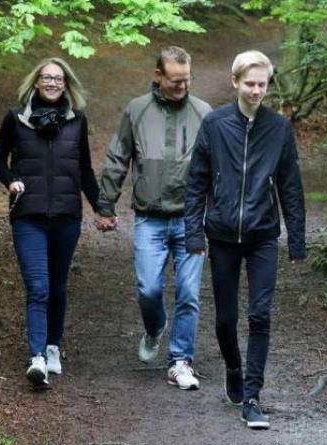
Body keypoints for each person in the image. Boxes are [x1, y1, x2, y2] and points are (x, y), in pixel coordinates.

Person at [184, 50, 306, 430]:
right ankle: (233, 367)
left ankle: (252, 397)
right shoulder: (215, 124)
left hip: (262, 235)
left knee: (260, 315)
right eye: (250, 83)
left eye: (262, 84)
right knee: (225, 320)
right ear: (235, 81)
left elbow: (290, 184)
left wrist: (297, 239)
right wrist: (194, 233)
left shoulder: (279, 128)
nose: (256, 91)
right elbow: (197, 182)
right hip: (221, 234)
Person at [95, 46, 213, 391]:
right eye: (176, 80)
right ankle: (155, 327)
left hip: (192, 218)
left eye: (187, 80)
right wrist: (106, 206)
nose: (183, 86)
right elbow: (118, 157)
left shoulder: (204, 113)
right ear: (158, 75)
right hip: (149, 218)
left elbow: (220, 167)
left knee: (189, 292)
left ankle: (180, 360)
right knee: (149, 289)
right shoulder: (137, 110)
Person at [0, 57, 99, 389]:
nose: (53, 83)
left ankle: (53, 346)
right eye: (46, 77)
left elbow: (84, 169)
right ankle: (37, 356)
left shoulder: (76, 121)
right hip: (29, 217)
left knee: (58, 287)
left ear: (66, 84)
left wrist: (102, 208)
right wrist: (10, 180)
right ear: (36, 82)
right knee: (38, 287)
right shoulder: (16, 118)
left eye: (59, 78)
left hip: (67, 216)